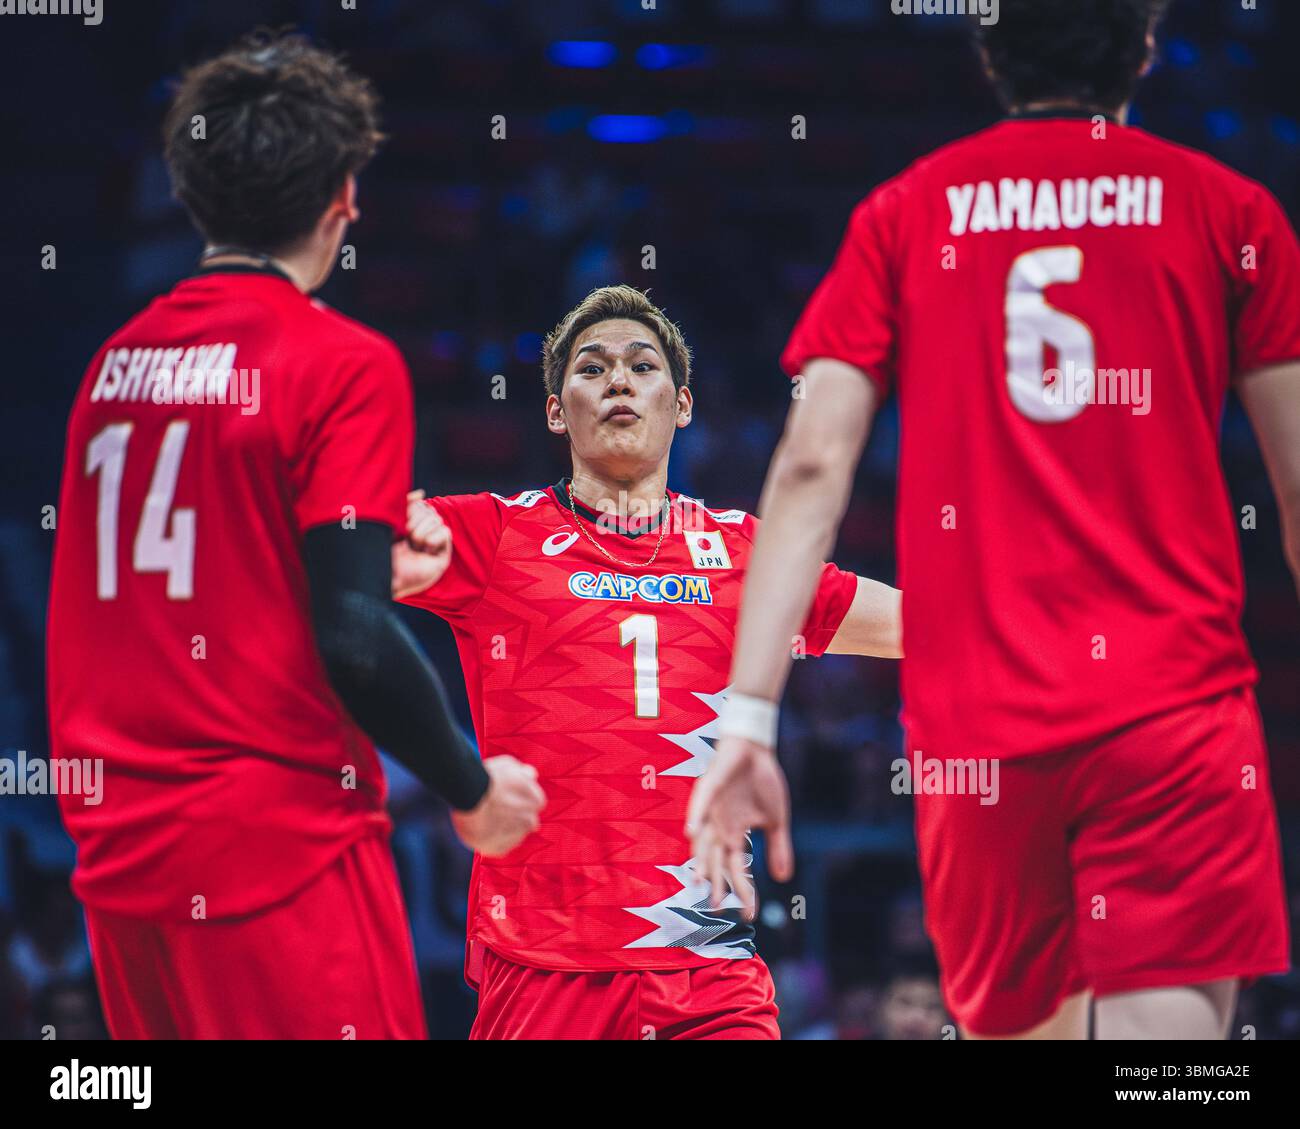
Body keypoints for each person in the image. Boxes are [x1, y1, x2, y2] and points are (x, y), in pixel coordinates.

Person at [688, 0, 1300, 1041]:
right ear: (1143, 51)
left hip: (982, 729)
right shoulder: (1229, 209)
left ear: (989, 53)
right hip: (1173, 711)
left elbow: (809, 464)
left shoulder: (905, 212)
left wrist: (748, 713)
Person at [48, 31, 543, 1040]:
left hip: (122, 863)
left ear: (190, 192)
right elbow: (352, 633)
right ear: (342, 203)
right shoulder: (340, 363)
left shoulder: (110, 368)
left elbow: (202, 574)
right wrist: (472, 786)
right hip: (277, 851)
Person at [392, 284, 902, 1039]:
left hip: (708, 970)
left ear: (683, 403)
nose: (619, 380)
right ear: (556, 412)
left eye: (642, 365)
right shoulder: (493, 534)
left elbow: (917, 625)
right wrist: (376, 539)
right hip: (539, 973)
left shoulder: (743, 551)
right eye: (591, 369)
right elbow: (332, 566)